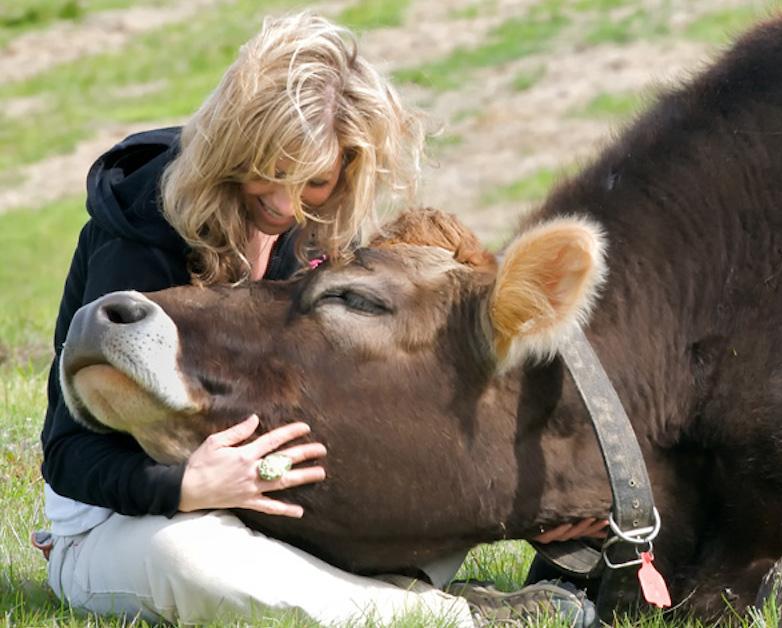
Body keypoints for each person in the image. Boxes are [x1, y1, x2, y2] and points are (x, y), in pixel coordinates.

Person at [37, 12, 598, 627]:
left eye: (316, 182)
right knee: (188, 560)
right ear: (235, 145)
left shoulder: (317, 233)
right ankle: (452, 617)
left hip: (277, 507)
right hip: (130, 520)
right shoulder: (141, 234)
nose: (284, 205)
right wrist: (185, 488)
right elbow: (67, 456)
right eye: (270, 173)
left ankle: (370, 594)